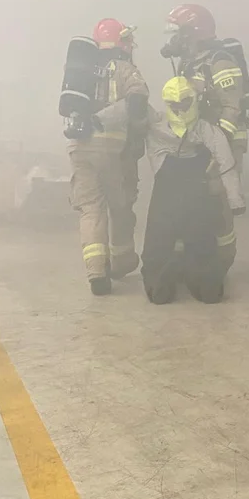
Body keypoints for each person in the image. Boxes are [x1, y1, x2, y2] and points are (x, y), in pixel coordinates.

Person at [161, 4, 249, 271]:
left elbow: (232, 106)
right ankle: (191, 255)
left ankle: (223, 258)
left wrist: (219, 145)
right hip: (200, 139)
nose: (175, 41)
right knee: (192, 195)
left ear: (194, 32)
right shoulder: (189, 63)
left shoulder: (219, 61)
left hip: (226, 139)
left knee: (218, 196)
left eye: (179, 34)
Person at [141, 76, 244, 304]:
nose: (180, 109)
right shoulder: (160, 124)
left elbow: (225, 163)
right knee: (173, 242)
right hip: (184, 191)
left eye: (185, 103)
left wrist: (235, 199)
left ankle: (189, 284)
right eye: (174, 105)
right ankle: (172, 284)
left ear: (194, 100)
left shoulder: (203, 129)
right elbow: (226, 162)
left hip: (180, 193)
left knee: (186, 241)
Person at [65, 19, 148, 295]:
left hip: (79, 148)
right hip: (113, 150)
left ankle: (96, 273)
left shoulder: (82, 72)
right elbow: (138, 102)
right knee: (120, 207)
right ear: (121, 41)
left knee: (91, 209)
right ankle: (122, 261)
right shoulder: (124, 68)